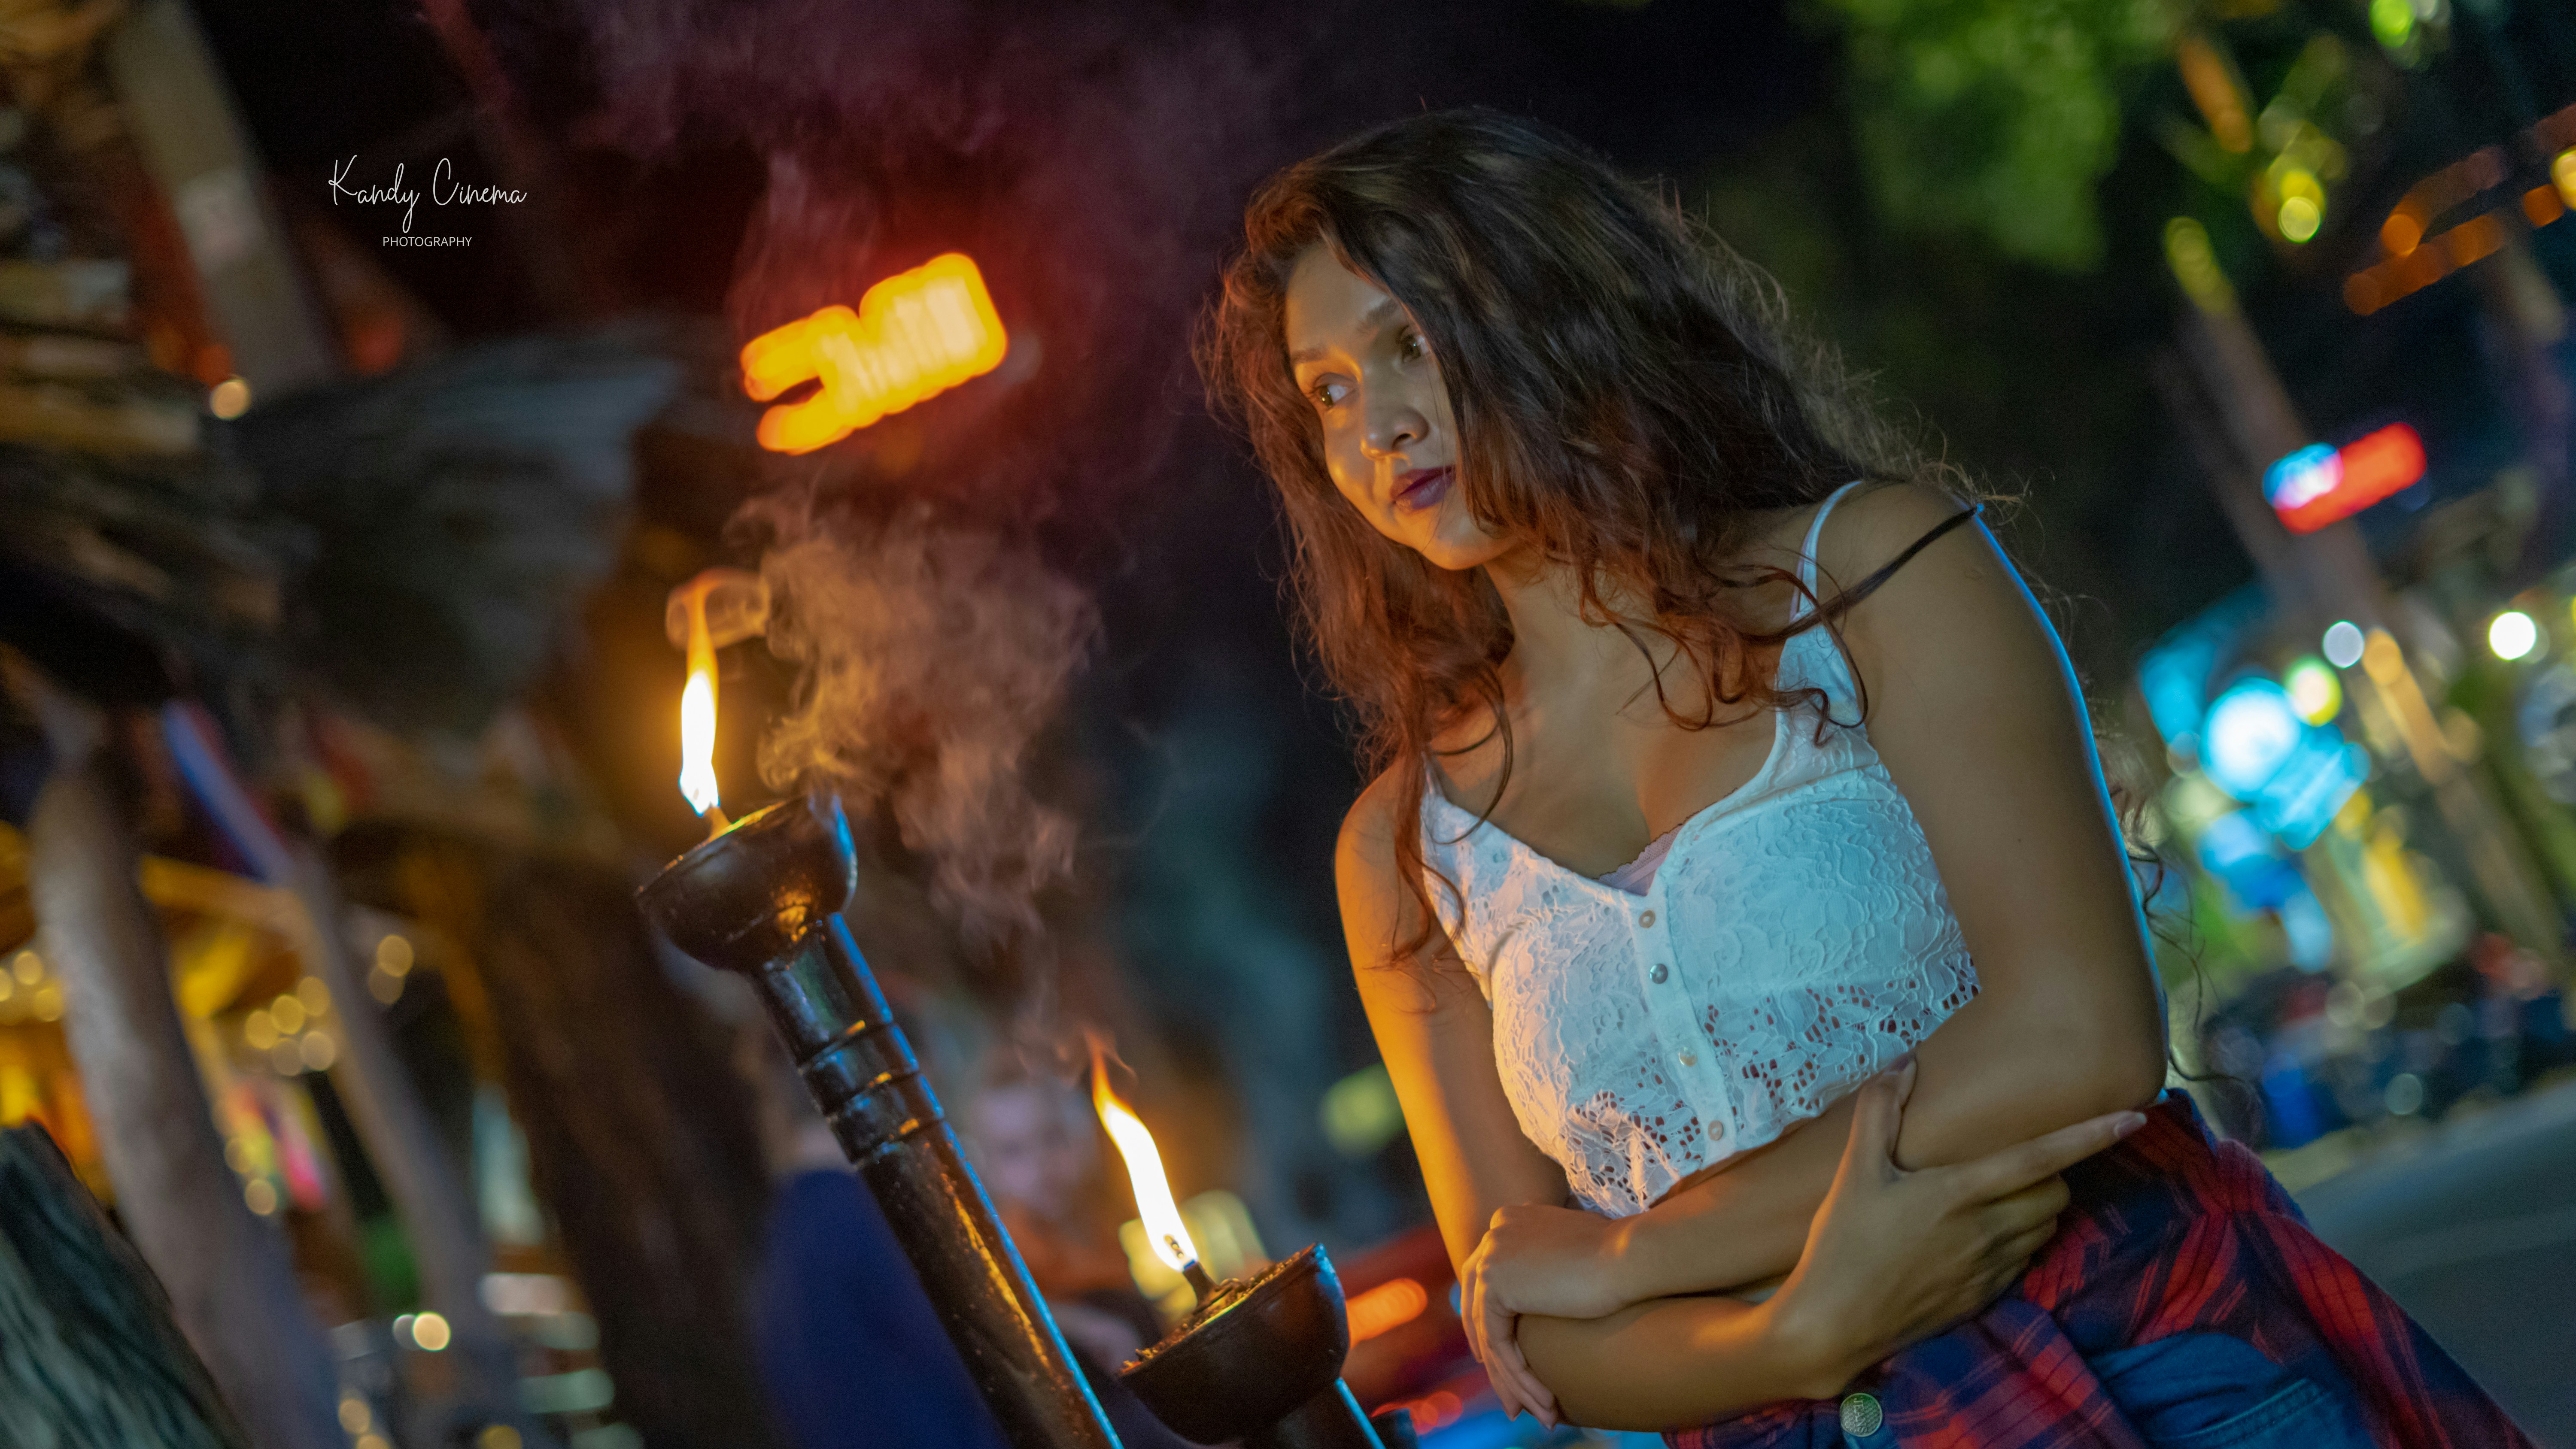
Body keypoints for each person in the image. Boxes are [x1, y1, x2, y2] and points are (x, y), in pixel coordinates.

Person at [1203, 108, 2533, 1446]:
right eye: (1328, 390)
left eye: (1410, 345)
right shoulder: (1402, 852)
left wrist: (1636, 1256)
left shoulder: (1871, 574)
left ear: (1555, 311)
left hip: (2143, 1349)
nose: (1377, 423)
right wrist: (1801, 1331)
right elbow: (1528, 1328)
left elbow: (2083, 1043)